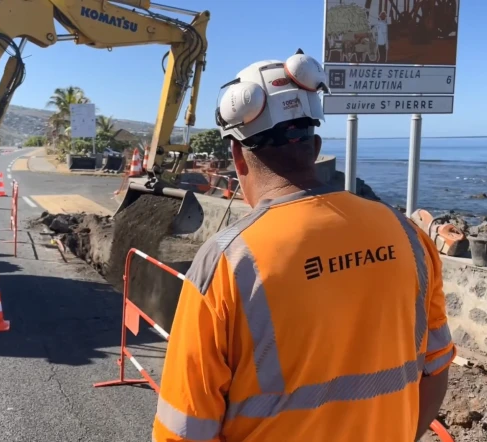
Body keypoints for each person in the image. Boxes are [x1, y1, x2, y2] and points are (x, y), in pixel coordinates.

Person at [152, 50, 455, 442]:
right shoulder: (407, 235)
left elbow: (183, 431)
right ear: (314, 147)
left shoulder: (226, 263)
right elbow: (436, 369)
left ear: (238, 157)